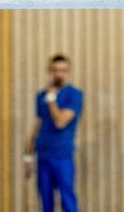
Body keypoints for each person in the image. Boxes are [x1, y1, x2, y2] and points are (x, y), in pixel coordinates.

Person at [23, 55, 84, 212]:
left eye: (63, 71)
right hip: (43, 156)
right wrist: (28, 155)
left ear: (68, 72)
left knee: (67, 199)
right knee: (45, 201)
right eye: (55, 70)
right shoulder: (41, 96)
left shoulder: (73, 95)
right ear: (50, 71)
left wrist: (52, 99)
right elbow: (37, 124)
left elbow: (60, 122)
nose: (59, 74)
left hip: (62, 156)